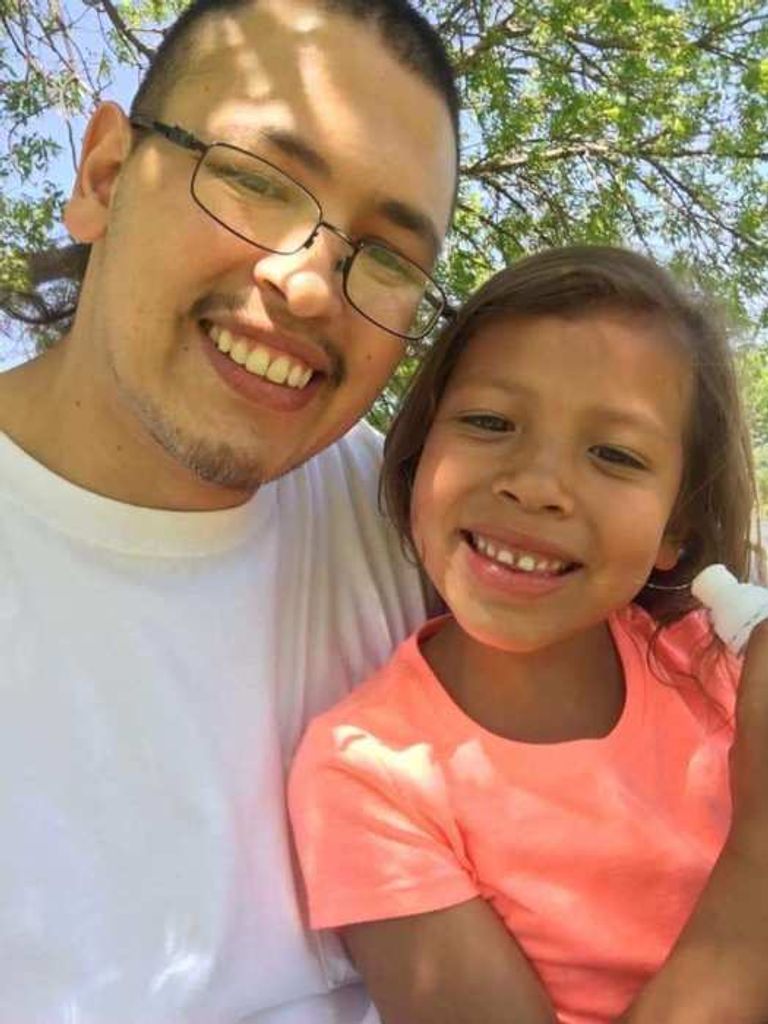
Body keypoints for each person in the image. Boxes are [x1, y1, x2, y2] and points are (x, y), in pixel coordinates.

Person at [0, 0, 458, 1019]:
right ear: (103, 178)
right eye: (254, 181)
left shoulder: (415, 533)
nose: (311, 286)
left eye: (390, 258)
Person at [290, 246, 768, 1023]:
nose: (538, 485)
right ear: (417, 454)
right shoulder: (368, 777)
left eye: (614, 454)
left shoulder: (717, 670)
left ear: (675, 527)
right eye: (489, 421)